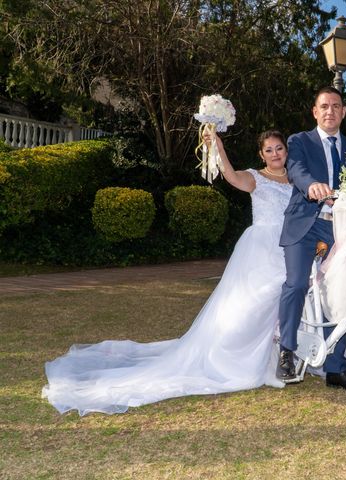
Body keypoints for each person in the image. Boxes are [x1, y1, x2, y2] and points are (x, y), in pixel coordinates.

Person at [42, 130, 293, 415]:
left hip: (290, 246)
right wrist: (218, 147)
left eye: (279, 149)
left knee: (280, 298)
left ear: (286, 151)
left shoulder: (295, 179)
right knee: (253, 304)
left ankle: (280, 357)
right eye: (269, 150)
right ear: (261, 155)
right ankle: (234, 359)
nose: (275, 154)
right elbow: (231, 177)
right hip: (261, 249)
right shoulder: (254, 177)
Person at [277, 86, 346, 393]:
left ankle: (335, 368)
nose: (330, 111)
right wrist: (312, 185)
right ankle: (287, 351)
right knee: (296, 282)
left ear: (343, 112)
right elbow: (296, 170)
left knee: (343, 292)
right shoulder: (299, 141)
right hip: (305, 225)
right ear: (315, 112)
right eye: (324, 106)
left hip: (340, 228)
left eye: (336, 106)